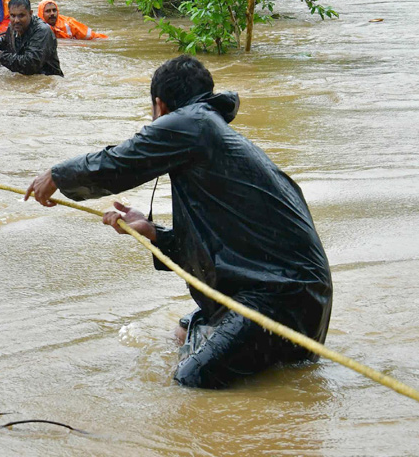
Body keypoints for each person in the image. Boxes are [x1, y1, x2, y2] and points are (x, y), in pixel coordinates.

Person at [24, 55, 333, 390]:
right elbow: (222, 248)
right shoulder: (208, 134)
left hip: (281, 298)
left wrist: (57, 175)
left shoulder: (192, 123)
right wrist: (154, 232)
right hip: (299, 297)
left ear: (160, 106)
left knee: (191, 380)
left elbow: (119, 162)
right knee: (183, 332)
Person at [0, 0, 62, 76]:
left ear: (30, 13)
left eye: (21, 16)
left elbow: (29, 65)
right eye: (13, 16)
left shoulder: (42, 31)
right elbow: (5, 41)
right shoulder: (13, 26)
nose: (16, 20)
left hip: (47, 83)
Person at [37, 0, 107, 41]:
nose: (52, 13)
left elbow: (92, 36)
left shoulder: (69, 23)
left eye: (54, 10)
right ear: (41, 14)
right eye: (48, 11)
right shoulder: (36, 28)